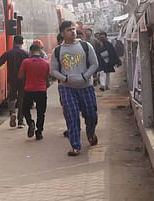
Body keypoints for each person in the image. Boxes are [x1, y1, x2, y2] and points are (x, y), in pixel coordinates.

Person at [50, 20, 99, 156]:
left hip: (86, 87)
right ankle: (75, 145)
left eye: (73, 29)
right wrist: (65, 78)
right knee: (72, 116)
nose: (72, 32)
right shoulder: (58, 51)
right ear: (62, 33)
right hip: (67, 88)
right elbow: (53, 70)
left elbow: (94, 64)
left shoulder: (85, 46)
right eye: (69, 30)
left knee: (91, 114)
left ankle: (90, 133)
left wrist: (85, 76)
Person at [0, 35, 29, 128]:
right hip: (23, 80)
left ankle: (12, 112)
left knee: (12, 97)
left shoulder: (9, 53)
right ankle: (20, 121)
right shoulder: (26, 53)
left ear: (13, 42)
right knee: (22, 100)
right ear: (22, 43)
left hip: (12, 80)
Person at [19, 42, 51, 140]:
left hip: (29, 90)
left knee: (25, 109)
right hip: (41, 90)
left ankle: (30, 123)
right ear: (40, 51)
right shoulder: (46, 63)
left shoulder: (26, 62)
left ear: (31, 52)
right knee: (41, 112)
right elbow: (48, 76)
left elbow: (20, 76)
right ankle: (39, 132)